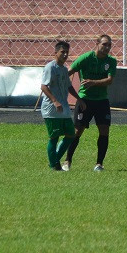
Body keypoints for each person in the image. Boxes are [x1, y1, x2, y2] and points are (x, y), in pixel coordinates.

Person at [62, 34, 117, 172]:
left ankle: (99, 164)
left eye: (109, 45)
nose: (107, 47)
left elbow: (110, 81)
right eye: (104, 44)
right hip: (85, 100)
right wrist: (59, 84)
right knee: (77, 131)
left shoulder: (111, 61)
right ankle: (67, 160)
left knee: (104, 131)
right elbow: (68, 73)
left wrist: (93, 82)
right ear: (97, 43)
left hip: (102, 100)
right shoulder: (86, 58)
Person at [40, 41, 84, 171]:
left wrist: (79, 99)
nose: (65, 54)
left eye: (66, 52)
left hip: (63, 107)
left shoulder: (64, 69)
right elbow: (43, 86)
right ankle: (54, 165)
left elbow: (69, 86)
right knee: (54, 137)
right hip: (52, 108)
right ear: (55, 53)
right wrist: (54, 101)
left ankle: (54, 162)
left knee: (71, 134)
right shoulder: (50, 67)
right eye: (62, 52)